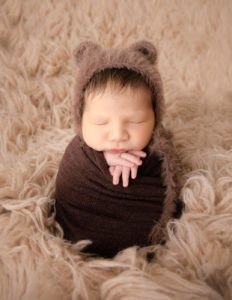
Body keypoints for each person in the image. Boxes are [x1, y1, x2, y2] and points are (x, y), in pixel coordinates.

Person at [55, 41, 182, 258]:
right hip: (79, 243)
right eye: (101, 122)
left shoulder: (159, 152)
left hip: (143, 256)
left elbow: (173, 187)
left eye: (135, 121)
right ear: (81, 120)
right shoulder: (79, 153)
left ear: (155, 118)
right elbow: (69, 184)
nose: (117, 135)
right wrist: (99, 161)